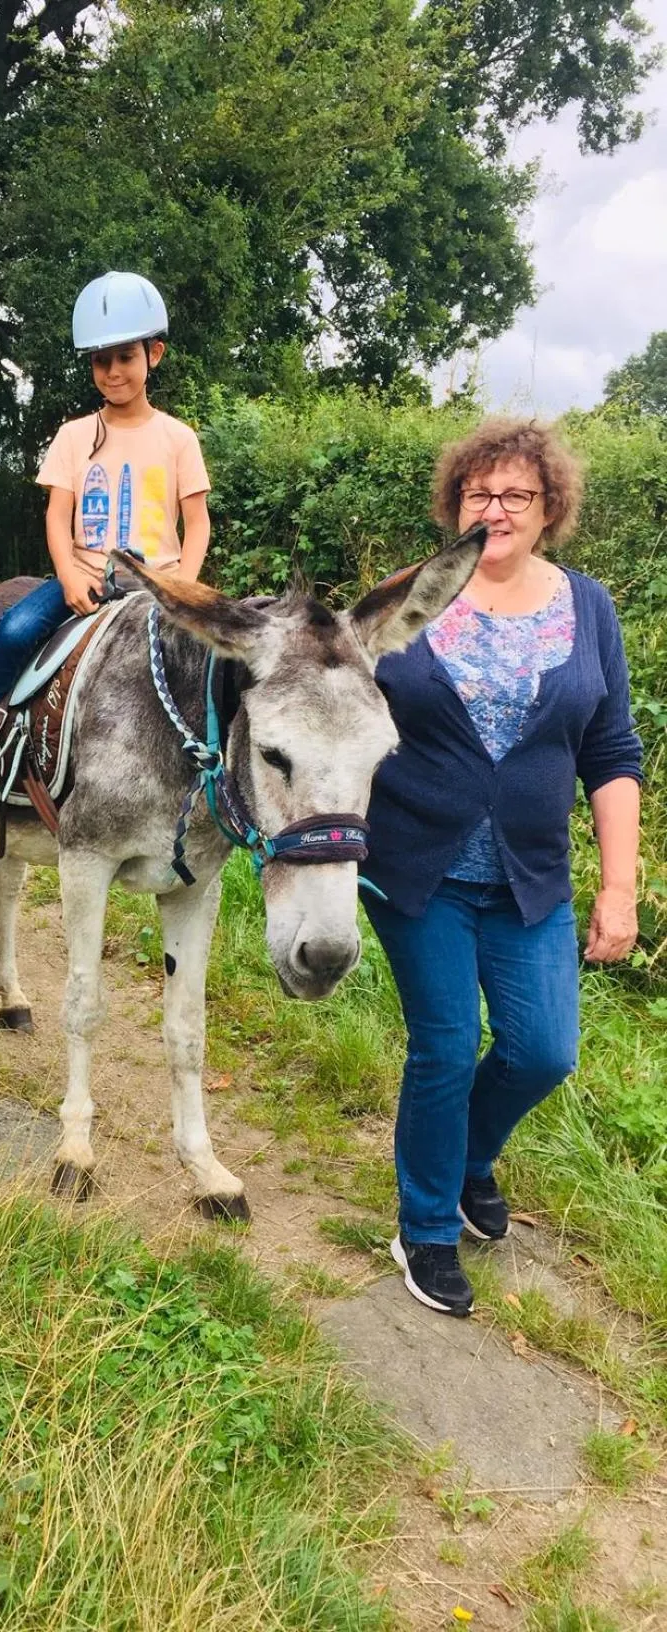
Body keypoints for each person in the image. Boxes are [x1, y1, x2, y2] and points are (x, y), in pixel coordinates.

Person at [362, 419, 642, 1317]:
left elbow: (612, 751)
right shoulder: (403, 600)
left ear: (549, 505)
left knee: (543, 1052)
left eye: (517, 494)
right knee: (444, 1045)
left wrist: (620, 882)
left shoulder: (588, 608)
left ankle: (470, 1157)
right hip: (417, 868)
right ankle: (427, 1226)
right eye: (480, 494)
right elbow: (334, 707)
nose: (496, 509)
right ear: (456, 504)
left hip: (529, 879)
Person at [0, 271, 211, 788]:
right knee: (15, 629)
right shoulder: (73, 436)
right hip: (87, 580)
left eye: (125, 358)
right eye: (100, 361)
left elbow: (198, 523)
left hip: (160, 586)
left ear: (153, 354)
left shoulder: (178, 438)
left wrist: (184, 589)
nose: (113, 372)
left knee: (228, 657)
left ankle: (223, 771)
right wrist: (67, 576)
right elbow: (56, 514)